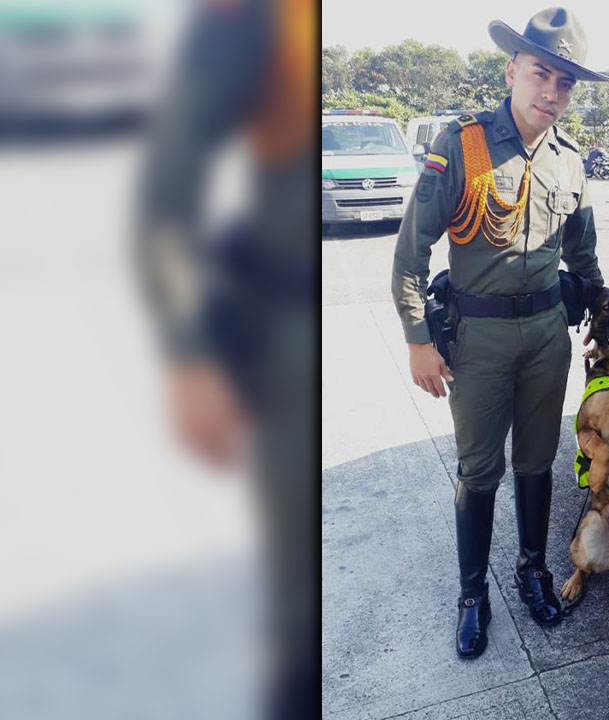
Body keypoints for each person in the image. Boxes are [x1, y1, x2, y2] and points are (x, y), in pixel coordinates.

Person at [390, 7, 609, 659]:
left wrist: (605, 327)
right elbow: (410, 256)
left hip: (547, 335)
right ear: (511, 68)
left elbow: (586, 259)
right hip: (479, 340)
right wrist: (419, 339)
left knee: (537, 462)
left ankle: (532, 571)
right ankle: (471, 595)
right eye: (542, 73)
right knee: (479, 469)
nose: (552, 93)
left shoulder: (572, 162)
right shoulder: (462, 145)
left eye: (566, 83)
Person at [135, 0, 317, 716]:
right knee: (295, 612)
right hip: (281, 340)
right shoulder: (255, 20)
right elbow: (165, 199)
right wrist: (187, 357)